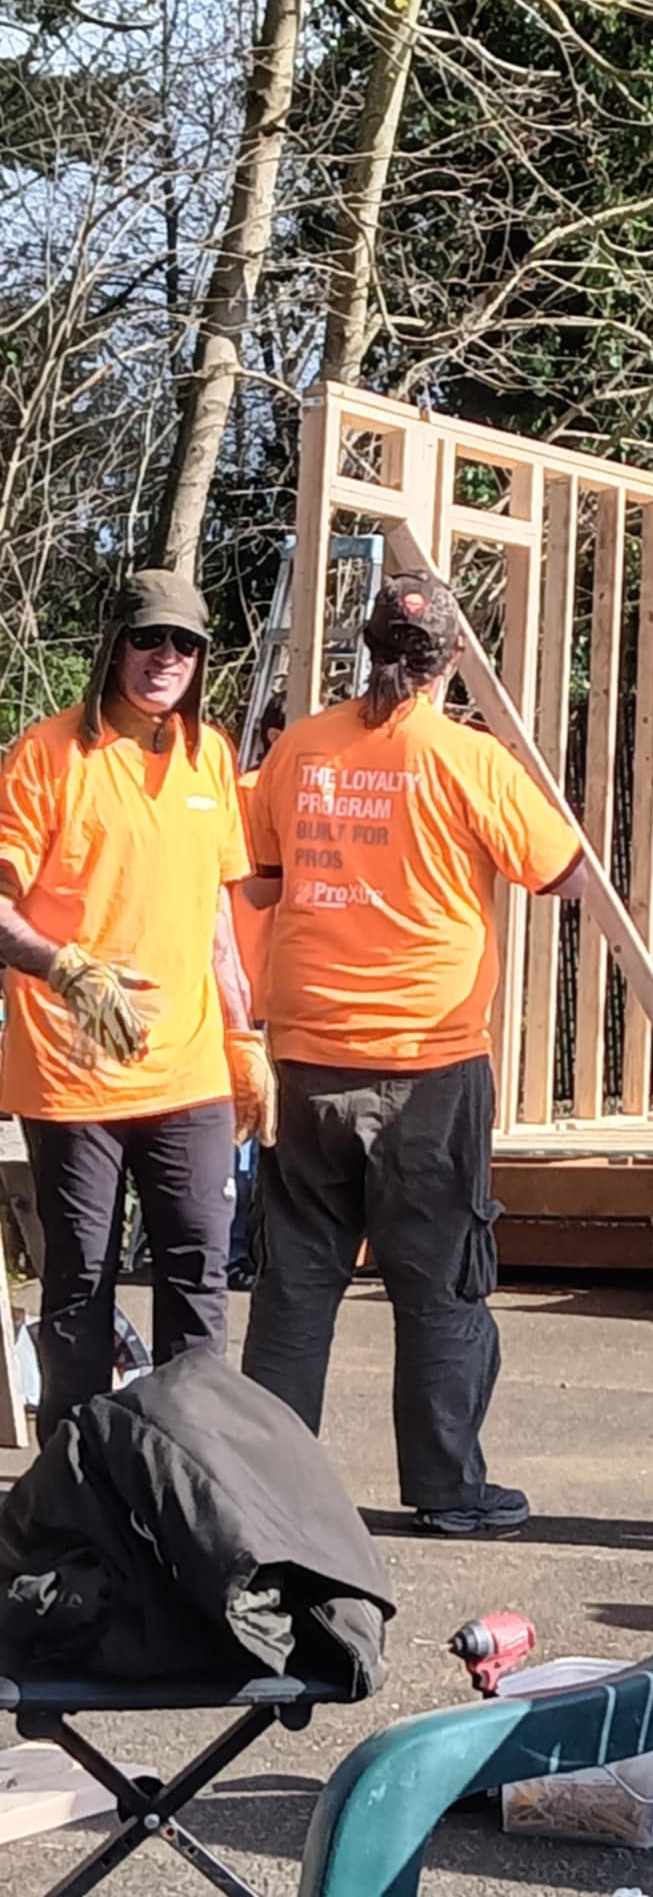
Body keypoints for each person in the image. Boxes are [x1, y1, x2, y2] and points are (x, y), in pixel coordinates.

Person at [240, 572, 588, 1537]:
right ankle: (446, 1490)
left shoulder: (299, 749)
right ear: (452, 661)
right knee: (439, 1283)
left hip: (309, 1054)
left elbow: (261, 884)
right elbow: (563, 873)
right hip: (428, 1061)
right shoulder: (470, 761)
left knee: (296, 1284)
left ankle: (265, 1496)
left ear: (367, 647)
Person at [0, 571, 273, 1441]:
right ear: (115, 645)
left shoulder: (209, 756)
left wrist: (243, 1038)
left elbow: (218, 920)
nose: (166, 657)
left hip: (188, 1069)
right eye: (149, 638)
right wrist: (64, 967)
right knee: (81, 1281)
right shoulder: (47, 754)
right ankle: (78, 1480)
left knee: (198, 1275)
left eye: (185, 643)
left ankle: (194, 1463)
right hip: (73, 1074)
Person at [227, 690, 287, 1290]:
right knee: (245, 1129)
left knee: (252, 1129)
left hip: (269, 988)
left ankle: (242, 1251)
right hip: (253, 989)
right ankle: (235, 1252)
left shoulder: (249, 793)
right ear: (274, 736)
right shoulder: (251, 796)